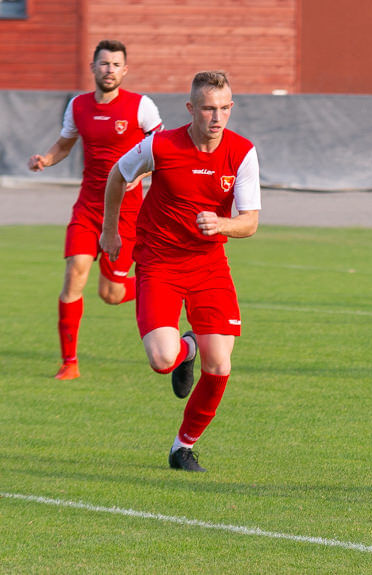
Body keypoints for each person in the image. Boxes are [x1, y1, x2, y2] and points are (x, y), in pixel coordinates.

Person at [101, 71, 261, 472]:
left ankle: (182, 447)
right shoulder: (161, 145)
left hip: (208, 265)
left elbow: (250, 222)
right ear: (191, 109)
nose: (217, 116)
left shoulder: (242, 153)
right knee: (161, 358)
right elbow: (118, 175)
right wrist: (109, 231)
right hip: (158, 263)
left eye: (224, 108)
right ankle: (184, 348)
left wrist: (221, 225)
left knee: (220, 365)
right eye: (208, 108)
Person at [28, 39, 163, 380]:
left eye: (116, 64)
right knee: (75, 273)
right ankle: (69, 364)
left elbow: (160, 150)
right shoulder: (78, 106)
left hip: (126, 213)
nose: (109, 70)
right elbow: (64, 144)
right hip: (88, 207)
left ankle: (157, 285)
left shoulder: (141, 107)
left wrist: (141, 173)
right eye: (104, 63)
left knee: (111, 293)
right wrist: (46, 158)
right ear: (93, 67)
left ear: (125, 70)